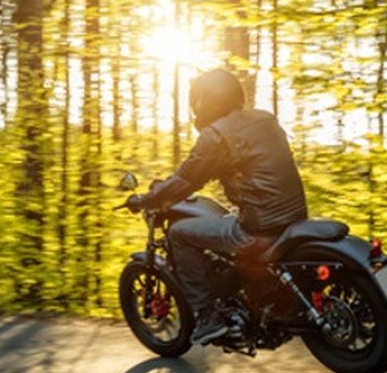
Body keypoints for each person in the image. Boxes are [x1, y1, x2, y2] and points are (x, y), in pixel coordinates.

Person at [127, 67, 308, 346]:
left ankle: (207, 316)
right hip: (294, 216)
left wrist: (146, 200)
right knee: (226, 221)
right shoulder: (264, 119)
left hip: (260, 226)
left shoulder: (217, 136)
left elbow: (186, 180)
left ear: (206, 100)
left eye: (197, 100)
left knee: (179, 234)